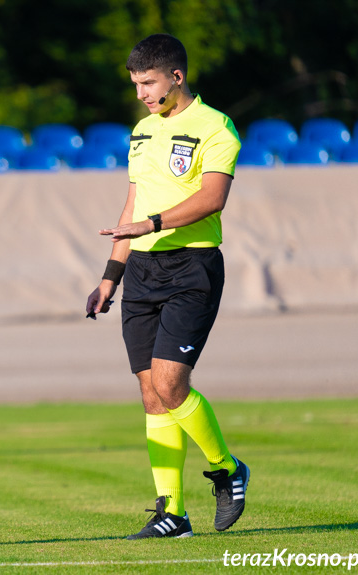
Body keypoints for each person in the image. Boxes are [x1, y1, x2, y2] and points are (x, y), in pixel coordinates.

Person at [86, 33, 249, 540]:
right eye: (135, 84)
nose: (141, 94)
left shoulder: (216, 127)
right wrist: (109, 277)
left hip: (192, 269)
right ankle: (173, 513)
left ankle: (227, 468)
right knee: (151, 395)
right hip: (141, 271)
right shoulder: (141, 131)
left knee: (171, 384)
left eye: (148, 83)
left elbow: (212, 199)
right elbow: (131, 208)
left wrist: (151, 224)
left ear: (176, 76)